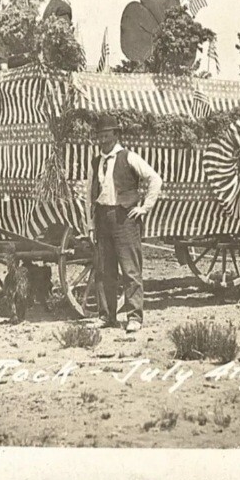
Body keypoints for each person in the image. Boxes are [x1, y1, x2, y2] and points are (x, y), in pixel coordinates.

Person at [87, 115, 162, 333]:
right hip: (102, 218)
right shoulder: (95, 162)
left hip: (124, 219)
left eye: (107, 135)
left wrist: (144, 208)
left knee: (130, 269)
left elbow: (155, 180)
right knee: (104, 271)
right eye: (100, 135)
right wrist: (90, 225)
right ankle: (107, 316)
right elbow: (88, 195)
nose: (103, 139)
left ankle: (135, 317)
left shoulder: (129, 157)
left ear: (116, 135)